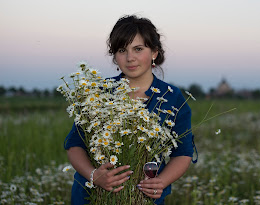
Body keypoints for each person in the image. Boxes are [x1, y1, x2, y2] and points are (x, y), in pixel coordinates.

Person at [64, 15, 196, 205]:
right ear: (114, 55)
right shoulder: (98, 94)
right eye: (122, 50)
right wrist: (94, 175)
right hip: (91, 197)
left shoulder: (172, 98)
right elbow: (74, 145)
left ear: (154, 53)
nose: (130, 58)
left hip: (144, 199)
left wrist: (161, 182)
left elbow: (183, 153)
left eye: (138, 49)